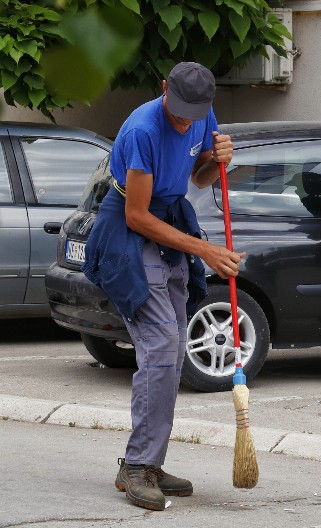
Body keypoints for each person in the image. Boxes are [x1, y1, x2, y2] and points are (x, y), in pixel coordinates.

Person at [83, 62, 244, 510]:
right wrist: (203, 250)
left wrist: (218, 160)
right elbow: (136, 215)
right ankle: (137, 466)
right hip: (131, 230)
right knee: (158, 346)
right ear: (163, 91)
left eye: (193, 113)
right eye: (177, 111)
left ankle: (148, 462)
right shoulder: (142, 130)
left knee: (172, 353)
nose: (184, 120)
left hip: (170, 220)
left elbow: (199, 178)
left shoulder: (201, 115)